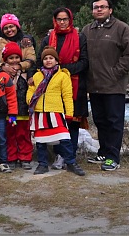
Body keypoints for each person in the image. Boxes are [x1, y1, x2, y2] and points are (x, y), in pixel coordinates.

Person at [81, 0, 129, 172]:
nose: (99, 10)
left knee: (114, 122)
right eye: (95, 7)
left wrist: (115, 73)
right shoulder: (87, 30)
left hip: (114, 86)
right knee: (100, 120)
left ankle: (113, 158)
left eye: (102, 7)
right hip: (94, 85)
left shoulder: (121, 28)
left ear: (110, 10)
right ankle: (103, 152)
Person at [38, 8, 89, 170]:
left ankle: (70, 157)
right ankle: (58, 155)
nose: (62, 22)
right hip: (51, 87)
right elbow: (41, 60)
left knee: (72, 123)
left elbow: (84, 62)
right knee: (55, 122)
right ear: (54, 20)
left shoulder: (80, 38)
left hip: (74, 86)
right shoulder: (48, 38)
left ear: (70, 19)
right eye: (59, 19)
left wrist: (63, 70)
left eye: (65, 19)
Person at [26, 47, 86, 176]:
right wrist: (30, 97)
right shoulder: (37, 76)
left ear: (56, 60)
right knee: (41, 141)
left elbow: (67, 95)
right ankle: (42, 164)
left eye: (51, 58)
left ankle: (71, 163)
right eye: (45, 58)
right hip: (40, 112)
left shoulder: (63, 76)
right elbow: (31, 91)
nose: (48, 61)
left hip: (56, 112)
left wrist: (69, 113)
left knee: (64, 139)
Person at [1, 42, 33, 170]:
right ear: (6, 60)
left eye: (17, 57)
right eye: (11, 58)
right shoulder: (3, 74)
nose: (14, 60)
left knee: (23, 134)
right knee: (10, 135)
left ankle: (25, 157)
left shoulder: (26, 74)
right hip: (8, 111)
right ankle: (12, 157)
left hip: (23, 110)